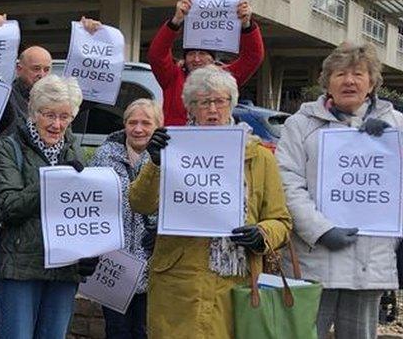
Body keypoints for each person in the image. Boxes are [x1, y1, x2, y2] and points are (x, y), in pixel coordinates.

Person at [128, 65, 291, 338]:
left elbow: (281, 221)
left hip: (235, 283)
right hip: (178, 280)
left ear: (232, 104)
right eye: (203, 102)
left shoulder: (259, 157)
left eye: (219, 100)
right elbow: (139, 203)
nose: (212, 109)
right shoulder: (171, 148)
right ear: (190, 108)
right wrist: (155, 163)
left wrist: (262, 233)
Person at [274, 41, 403, 338]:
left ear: (371, 83)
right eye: (340, 73)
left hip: (370, 261)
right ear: (327, 82)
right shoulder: (301, 124)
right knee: (304, 333)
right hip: (313, 258)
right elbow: (286, 181)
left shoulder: (395, 126)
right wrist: (319, 229)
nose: (349, 80)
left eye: (358, 73)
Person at [0, 74, 99, 338]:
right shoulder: (8, 147)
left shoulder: (74, 150)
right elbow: (7, 205)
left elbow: (84, 212)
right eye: (49, 115)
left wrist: (90, 251)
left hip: (64, 269)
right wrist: (54, 180)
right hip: (19, 267)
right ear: (33, 112)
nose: (57, 124)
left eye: (65, 117)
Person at [89, 98, 163, 339]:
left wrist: (161, 231)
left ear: (158, 126)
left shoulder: (167, 158)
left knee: (143, 330)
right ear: (124, 125)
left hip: (151, 260)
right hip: (113, 260)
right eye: (133, 122)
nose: (138, 129)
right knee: (117, 330)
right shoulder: (104, 155)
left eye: (146, 123)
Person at [147, 0, 264, 126]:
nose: (196, 59)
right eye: (191, 54)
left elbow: (253, 56)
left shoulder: (225, 78)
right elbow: (157, 54)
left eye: (202, 53)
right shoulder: (172, 77)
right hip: (178, 143)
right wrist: (176, 21)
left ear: (212, 58)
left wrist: (246, 25)